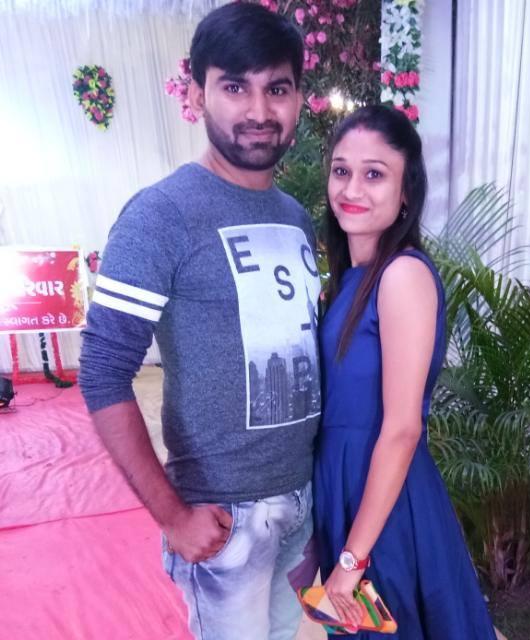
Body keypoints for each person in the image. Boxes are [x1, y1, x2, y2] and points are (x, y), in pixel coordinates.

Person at [79, 4, 321, 640]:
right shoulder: (161, 215)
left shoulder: (295, 216)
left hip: (302, 501)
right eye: (235, 87)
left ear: (299, 98)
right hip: (222, 515)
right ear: (195, 95)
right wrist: (171, 515)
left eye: (277, 89)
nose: (259, 110)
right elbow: (102, 372)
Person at [313, 105, 498, 639]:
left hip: (384, 505)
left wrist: (352, 561)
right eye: (342, 170)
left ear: (405, 194)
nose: (352, 188)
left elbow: (401, 428)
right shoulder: (349, 280)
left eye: (375, 174)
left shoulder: (402, 275)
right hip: (345, 492)